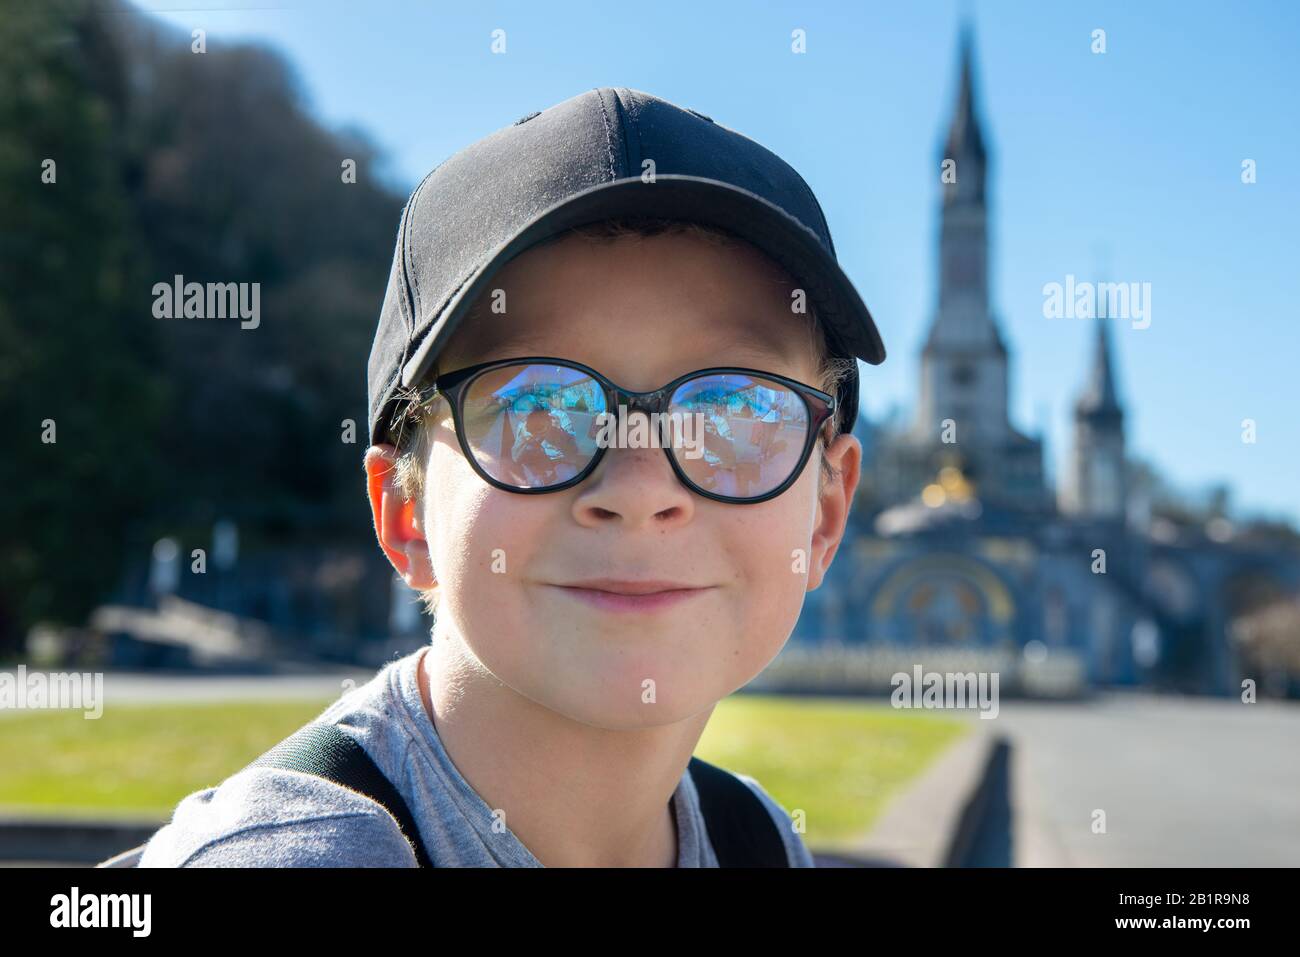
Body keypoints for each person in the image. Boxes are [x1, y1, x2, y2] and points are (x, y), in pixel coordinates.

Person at [135, 87, 886, 867]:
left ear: (825, 514)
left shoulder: (755, 838)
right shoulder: (307, 855)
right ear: (406, 511)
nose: (639, 488)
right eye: (539, 408)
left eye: (730, 408)